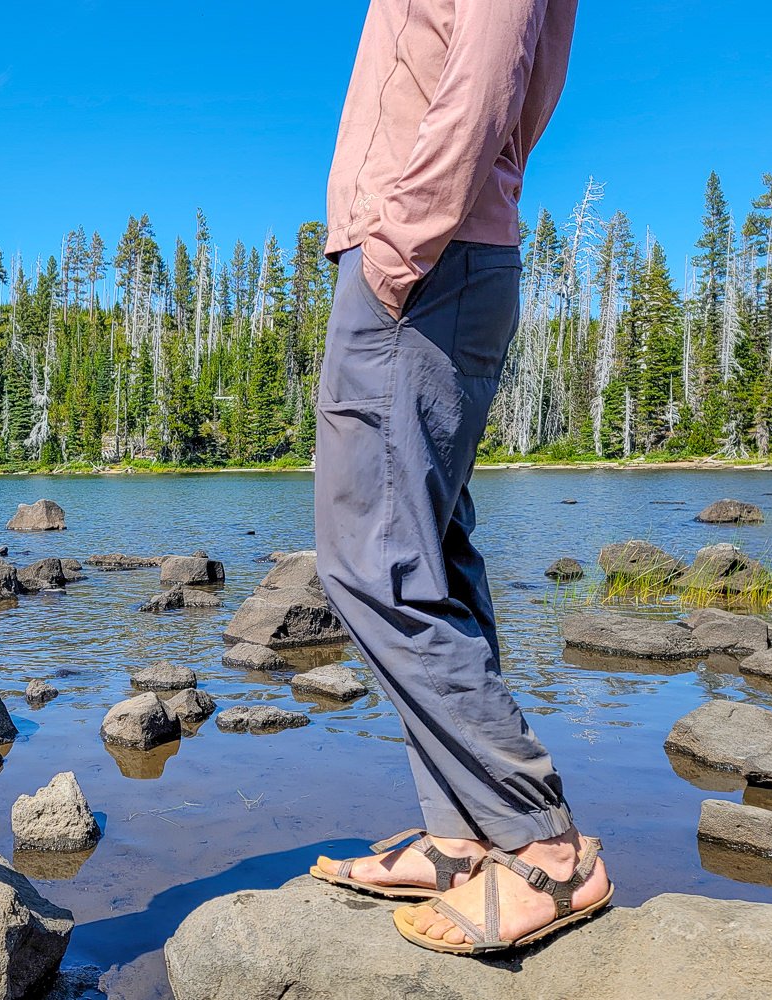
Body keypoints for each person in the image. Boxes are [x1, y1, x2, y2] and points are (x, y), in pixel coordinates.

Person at [310, 0, 614, 954]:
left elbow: (486, 75)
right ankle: (462, 836)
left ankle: (544, 845)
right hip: (444, 251)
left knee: (370, 562)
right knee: (427, 548)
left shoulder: (411, 250)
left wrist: (398, 248)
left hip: (422, 257)